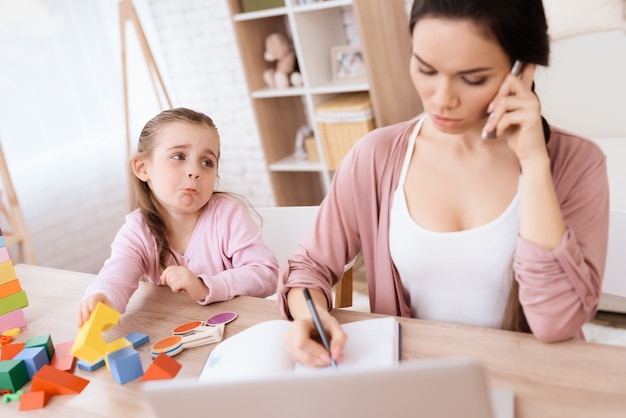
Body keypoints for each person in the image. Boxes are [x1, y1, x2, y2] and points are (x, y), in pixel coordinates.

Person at [277, 0, 610, 368]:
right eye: (425, 69)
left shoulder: (577, 163)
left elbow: (556, 322)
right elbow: (309, 265)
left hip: (531, 381)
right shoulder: (375, 156)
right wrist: (309, 313)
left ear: (523, 69)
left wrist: (533, 163)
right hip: (416, 385)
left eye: (473, 78)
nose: (441, 98)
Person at [78, 108, 278, 326]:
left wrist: (205, 286)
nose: (194, 171)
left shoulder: (227, 214)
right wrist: (102, 297)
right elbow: (116, 274)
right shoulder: (137, 230)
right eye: (178, 156)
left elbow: (267, 274)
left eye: (207, 162)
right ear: (143, 167)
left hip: (237, 329)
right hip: (175, 335)